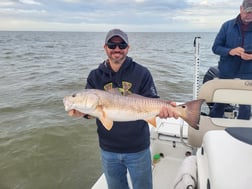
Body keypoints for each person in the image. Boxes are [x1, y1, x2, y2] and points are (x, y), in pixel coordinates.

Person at [68, 29, 178, 189]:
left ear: (128, 47)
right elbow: (93, 113)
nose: (117, 49)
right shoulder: (95, 76)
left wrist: (165, 110)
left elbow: (153, 100)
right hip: (108, 149)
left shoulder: (142, 72)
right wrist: (83, 113)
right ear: (105, 47)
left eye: (122, 45)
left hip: (138, 148)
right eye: (112, 44)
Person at [209, 0, 252, 120]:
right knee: (220, 102)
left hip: (248, 74)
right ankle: (213, 127)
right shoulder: (227, 26)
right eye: (248, 12)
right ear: (241, 9)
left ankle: (242, 132)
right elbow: (215, 48)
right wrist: (230, 51)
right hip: (226, 72)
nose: (249, 15)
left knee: (246, 106)